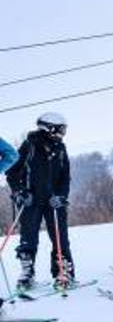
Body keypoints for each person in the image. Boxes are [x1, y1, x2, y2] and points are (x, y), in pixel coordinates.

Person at [5, 113, 73, 289]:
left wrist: (61, 196)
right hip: (31, 201)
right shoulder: (29, 146)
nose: (62, 134)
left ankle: (63, 271)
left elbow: (65, 177)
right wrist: (20, 193)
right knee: (28, 239)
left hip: (53, 202)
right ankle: (27, 273)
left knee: (61, 239)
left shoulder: (60, 149)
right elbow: (12, 172)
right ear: (49, 128)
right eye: (60, 130)